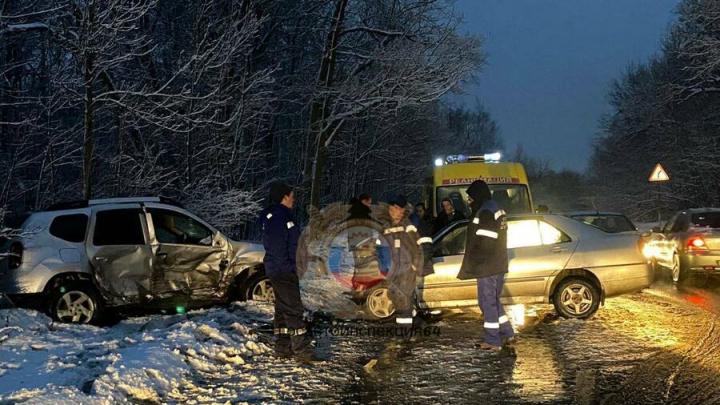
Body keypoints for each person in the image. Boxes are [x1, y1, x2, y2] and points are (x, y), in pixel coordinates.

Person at [259, 182, 317, 361]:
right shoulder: (279, 217)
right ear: (284, 196)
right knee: (293, 309)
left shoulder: (282, 215)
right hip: (283, 271)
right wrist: (290, 267)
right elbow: (278, 248)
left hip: (281, 270)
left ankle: (283, 348)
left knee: (283, 309)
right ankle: (302, 352)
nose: (294, 198)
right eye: (291, 195)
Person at [457, 180, 514, 352]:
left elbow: (486, 242)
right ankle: (507, 332)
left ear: (478, 195)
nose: (469, 201)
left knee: (486, 302)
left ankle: (493, 341)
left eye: (470, 197)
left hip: (487, 266)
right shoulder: (494, 207)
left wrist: (476, 262)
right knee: (493, 301)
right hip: (497, 264)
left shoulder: (486, 211)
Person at [377, 194, 434, 328]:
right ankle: (417, 322)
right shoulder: (385, 227)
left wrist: (416, 267)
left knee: (403, 303)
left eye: (396, 208)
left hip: (406, 271)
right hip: (393, 272)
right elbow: (380, 250)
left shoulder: (409, 226)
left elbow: (419, 247)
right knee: (397, 300)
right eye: (391, 208)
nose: (393, 211)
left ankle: (404, 337)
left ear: (402, 210)